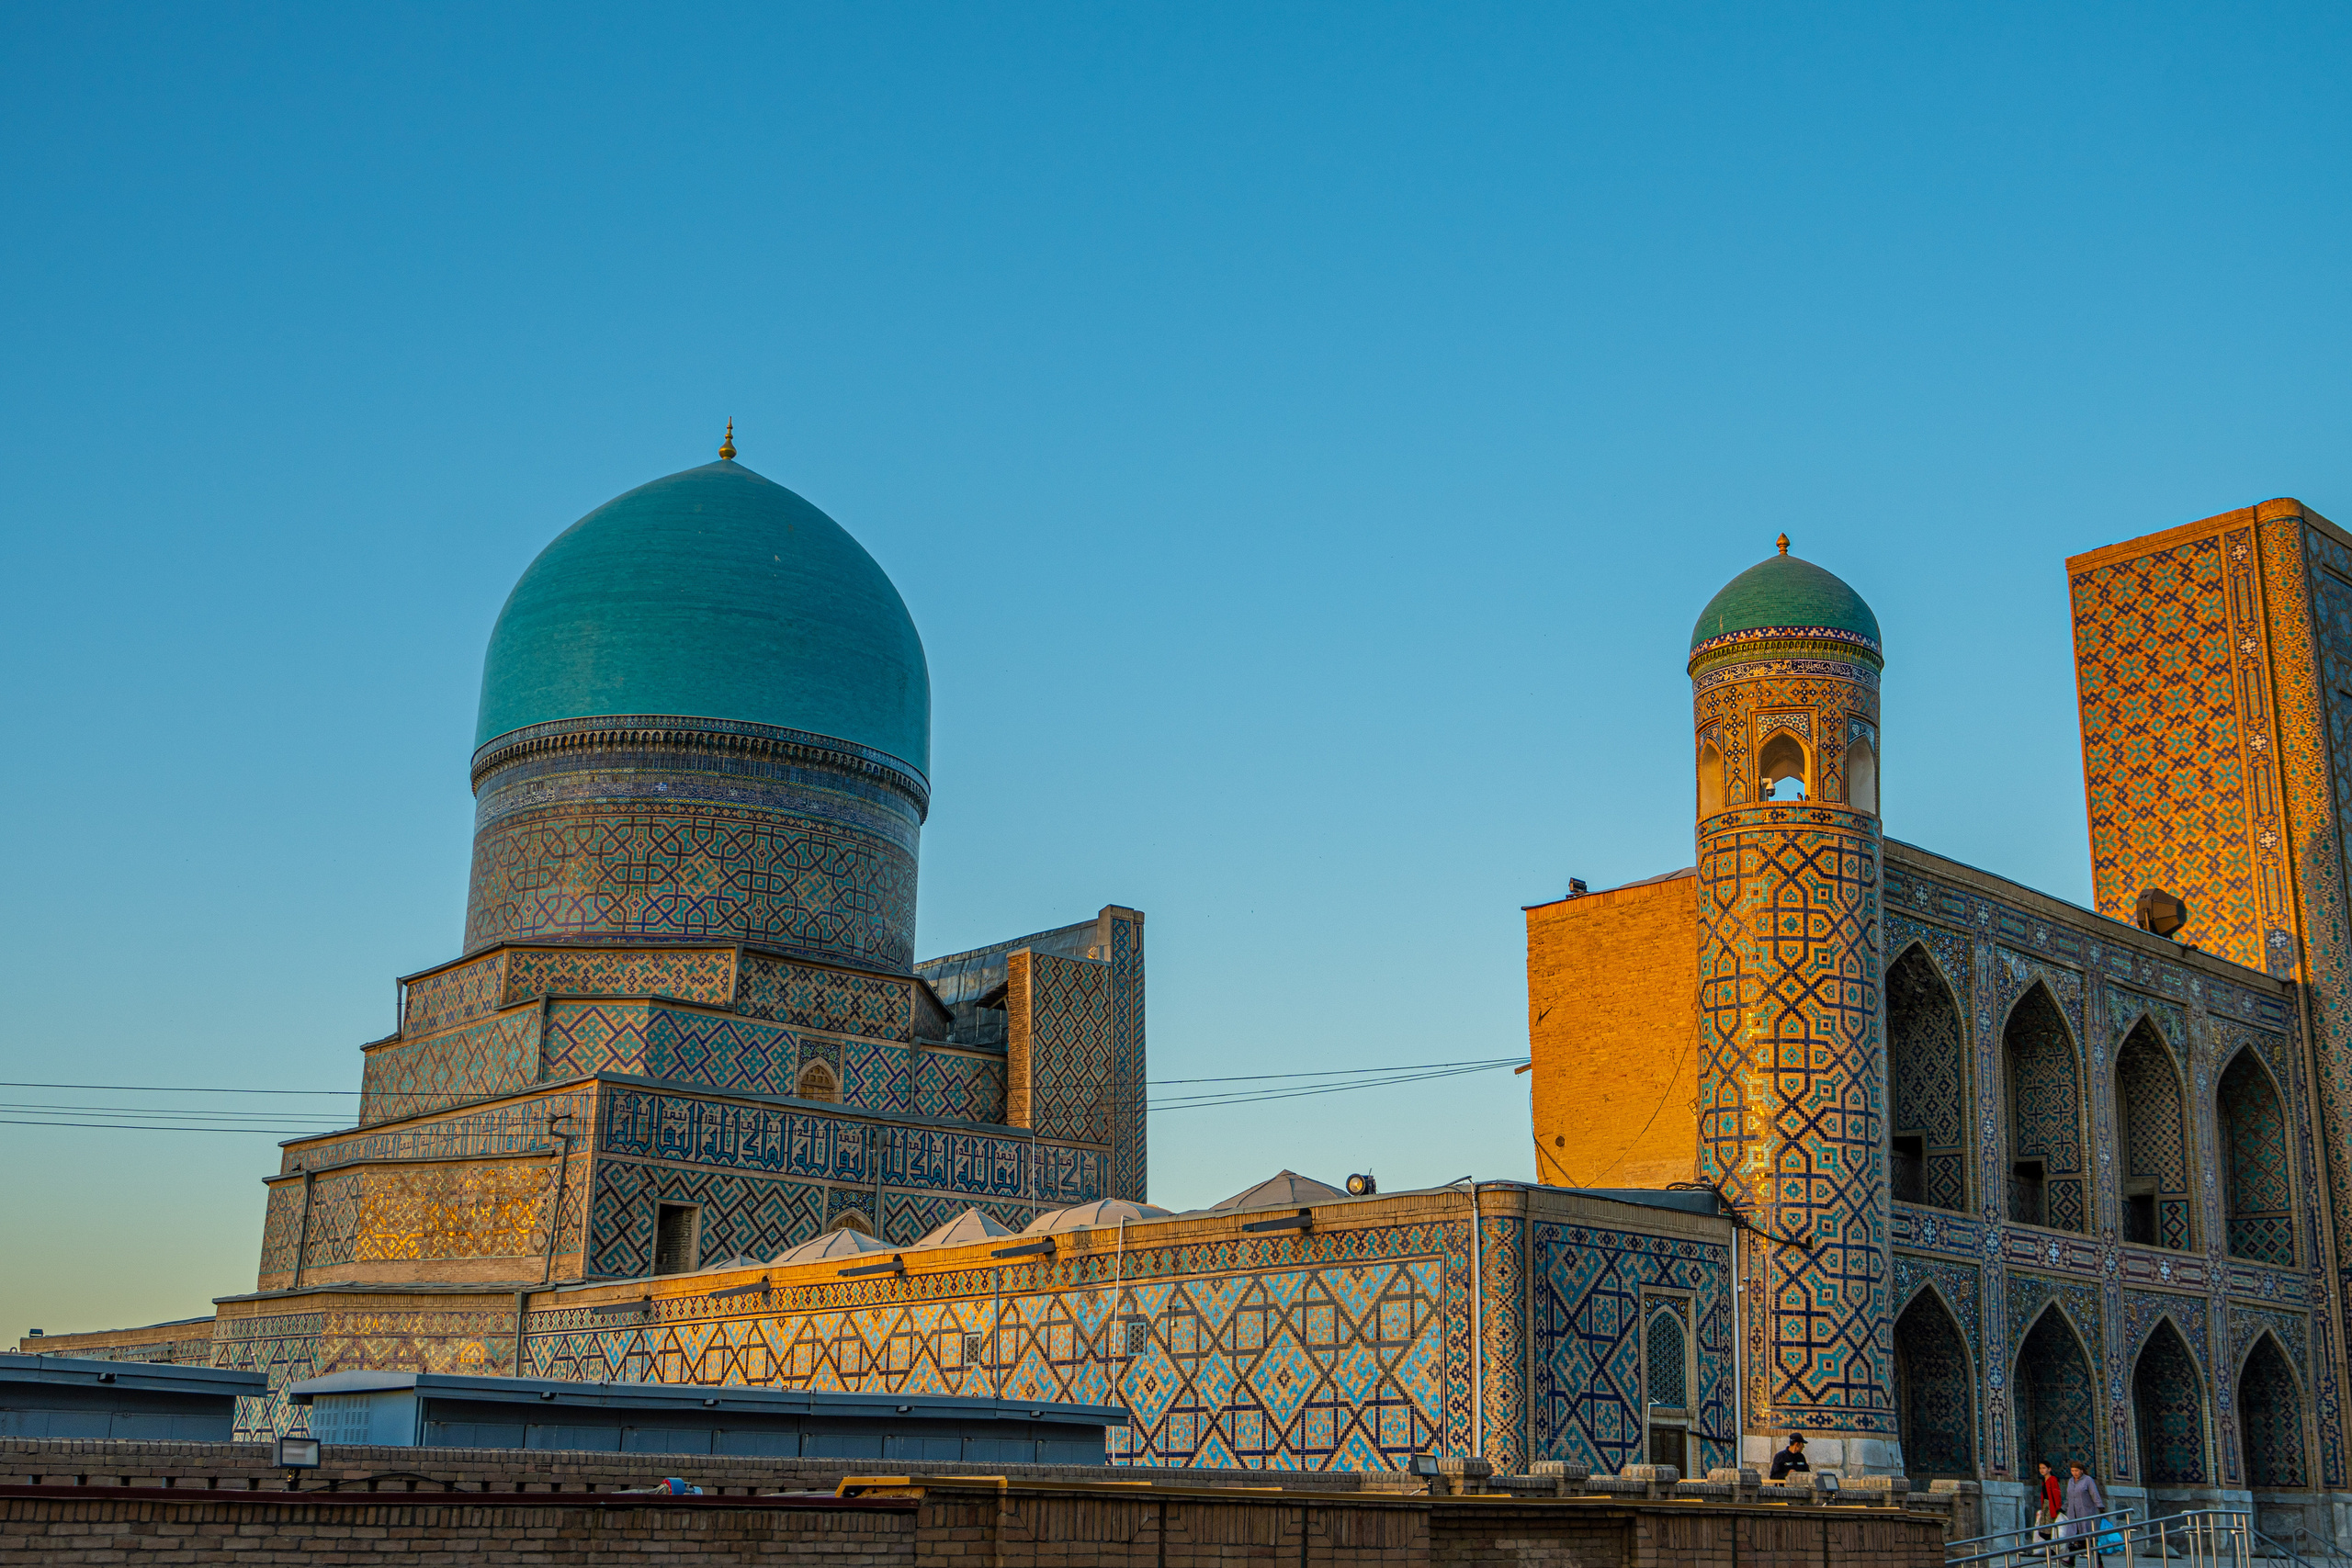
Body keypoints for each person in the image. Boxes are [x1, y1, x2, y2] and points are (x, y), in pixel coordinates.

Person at [2059, 1460, 2105, 1562]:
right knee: (2073, 1538)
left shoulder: (2088, 1480)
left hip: (2085, 1513)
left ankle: (2098, 1561)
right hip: (2073, 1514)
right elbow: (2069, 1497)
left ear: (2081, 1470)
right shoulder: (2070, 1481)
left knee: (2088, 1540)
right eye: (2072, 1471)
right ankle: (2071, 1560)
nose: (2074, 1473)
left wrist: (2100, 1506)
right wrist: (2063, 1507)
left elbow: (2094, 1494)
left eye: (2076, 1470)